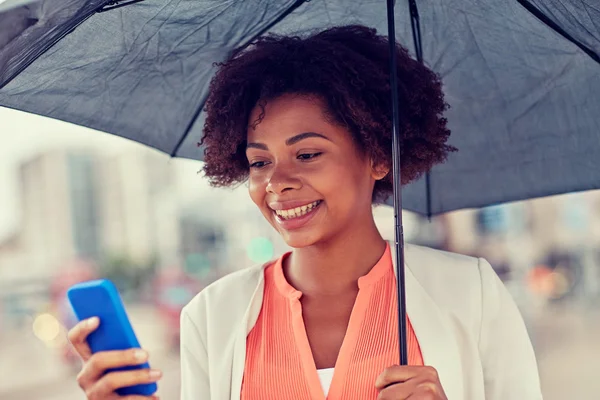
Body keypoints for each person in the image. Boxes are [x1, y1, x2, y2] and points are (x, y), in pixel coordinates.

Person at [67, 25, 542, 400]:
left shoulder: (472, 295)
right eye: (259, 162)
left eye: (308, 154)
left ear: (379, 156)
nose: (277, 182)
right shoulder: (212, 316)